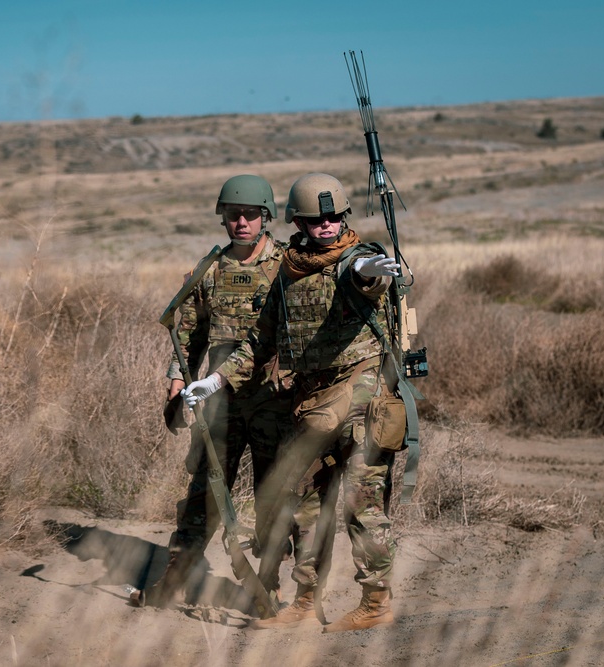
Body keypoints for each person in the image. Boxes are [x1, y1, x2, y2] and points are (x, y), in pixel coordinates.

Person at [182, 172, 402, 632]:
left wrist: (372, 272)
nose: (326, 225)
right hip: (312, 401)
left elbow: (360, 274)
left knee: (363, 505)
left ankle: (375, 602)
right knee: (303, 504)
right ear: (298, 222)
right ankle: (304, 603)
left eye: (333, 217)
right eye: (315, 219)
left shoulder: (358, 258)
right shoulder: (289, 270)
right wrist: (217, 379)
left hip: (361, 393)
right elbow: (260, 340)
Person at [131, 174, 295, 610]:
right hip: (218, 401)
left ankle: (269, 589)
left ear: (267, 217)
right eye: (232, 215)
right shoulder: (209, 270)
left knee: (272, 497)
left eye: (250, 214)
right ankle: (173, 583)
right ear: (222, 218)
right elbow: (187, 333)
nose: (241, 222)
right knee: (203, 496)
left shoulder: (288, 265)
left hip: (271, 399)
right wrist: (176, 382)